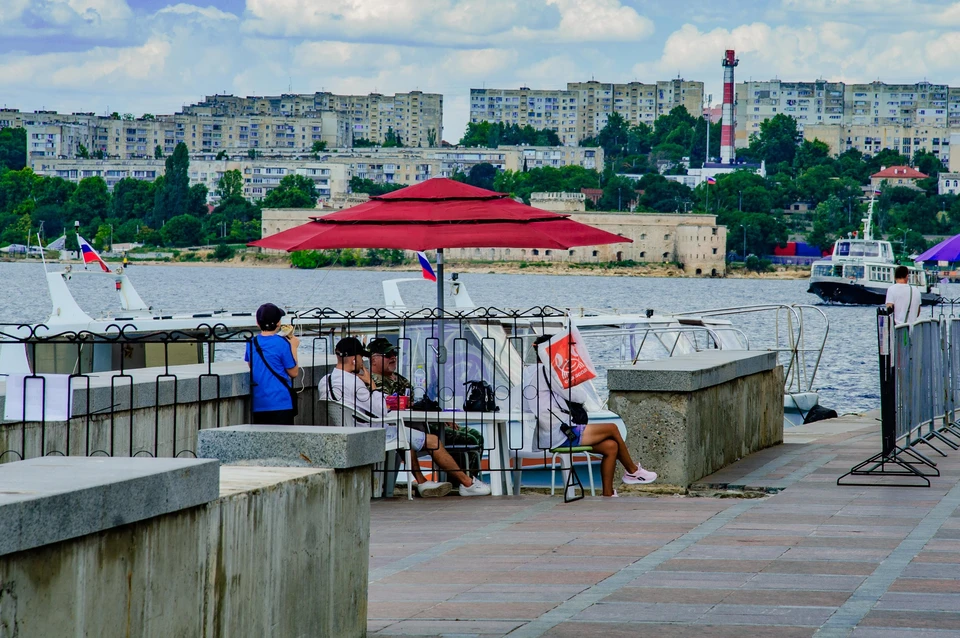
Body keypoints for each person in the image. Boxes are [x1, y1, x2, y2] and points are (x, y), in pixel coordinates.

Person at [319, 337, 491, 498]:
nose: (364, 362)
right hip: (370, 432)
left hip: (350, 431)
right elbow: (381, 409)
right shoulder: (354, 382)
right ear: (354, 360)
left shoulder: (325, 381)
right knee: (433, 441)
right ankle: (468, 484)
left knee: (408, 434)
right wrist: (370, 384)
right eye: (361, 358)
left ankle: (422, 482)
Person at [522, 334, 656, 497]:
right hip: (561, 433)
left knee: (611, 447)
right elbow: (579, 397)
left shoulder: (531, 371)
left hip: (550, 433)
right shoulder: (550, 373)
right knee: (612, 428)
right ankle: (632, 471)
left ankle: (608, 493)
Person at [368, 337, 484, 474]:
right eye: (388, 355)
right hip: (407, 428)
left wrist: (439, 418)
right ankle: (461, 481)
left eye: (395, 354)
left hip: (422, 423)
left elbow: (416, 403)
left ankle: (462, 480)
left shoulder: (399, 378)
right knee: (469, 439)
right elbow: (391, 407)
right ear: (373, 359)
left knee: (476, 435)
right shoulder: (374, 382)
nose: (393, 358)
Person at [244, 302, 300, 425]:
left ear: (258, 323)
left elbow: (251, 365)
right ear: (279, 323)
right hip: (281, 402)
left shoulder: (251, 342)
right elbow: (294, 372)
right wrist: (294, 347)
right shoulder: (282, 343)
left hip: (259, 403)